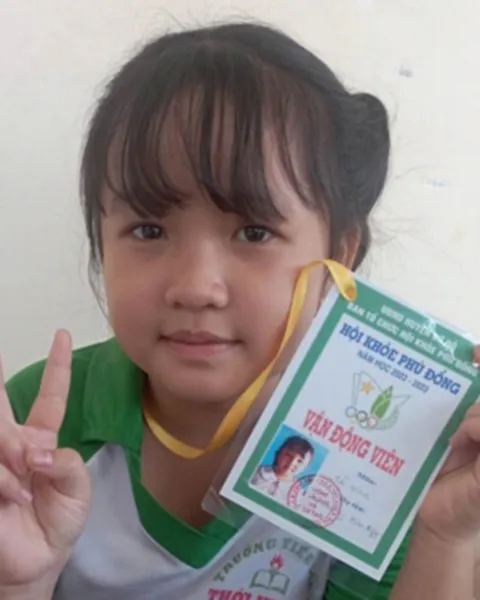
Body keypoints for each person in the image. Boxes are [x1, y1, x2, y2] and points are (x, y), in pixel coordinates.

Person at [0, 20, 479, 600]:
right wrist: (20, 582)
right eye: (148, 229)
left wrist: (447, 537)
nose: (196, 288)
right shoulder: (34, 429)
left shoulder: (387, 458)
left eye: (254, 232)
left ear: (339, 256)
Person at [251, 435, 314, 502]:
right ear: (278, 454)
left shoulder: (298, 495)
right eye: (289, 455)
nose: (292, 462)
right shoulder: (254, 471)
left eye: (300, 461)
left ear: (305, 468)